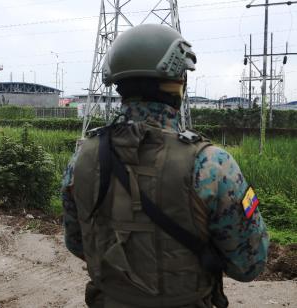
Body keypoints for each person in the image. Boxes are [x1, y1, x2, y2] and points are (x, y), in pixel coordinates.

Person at [62, 24, 269, 308]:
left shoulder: (83, 157)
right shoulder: (210, 164)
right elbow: (248, 265)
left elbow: (77, 243)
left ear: (119, 85)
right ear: (177, 82)